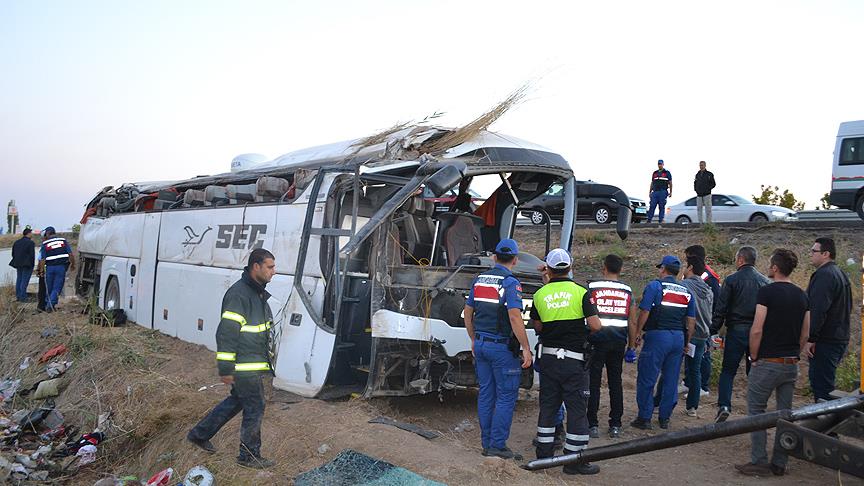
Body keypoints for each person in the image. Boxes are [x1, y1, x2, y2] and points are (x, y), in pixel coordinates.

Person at [188, 248, 277, 469]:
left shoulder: (255, 292)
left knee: (238, 400)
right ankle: (248, 455)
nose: (274, 272)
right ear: (256, 267)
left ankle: (199, 434)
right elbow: (227, 334)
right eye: (270, 267)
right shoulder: (240, 295)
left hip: (250, 363)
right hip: (243, 366)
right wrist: (226, 368)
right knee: (255, 405)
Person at [735, 249, 809, 477]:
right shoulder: (802, 295)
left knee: (757, 411)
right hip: (790, 363)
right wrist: (794, 351)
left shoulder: (766, 293)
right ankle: (780, 462)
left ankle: (759, 460)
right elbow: (806, 332)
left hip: (768, 361)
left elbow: (757, 329)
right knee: (784, 414)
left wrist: (754, 357)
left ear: (775, 268)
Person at [532, 248, 601, 475]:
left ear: (549, 269)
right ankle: (574, 462)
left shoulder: (539, 295)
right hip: (574, 363)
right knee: (577, 409)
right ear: (570, 267)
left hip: (549, 360)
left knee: (548, 407)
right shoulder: (581, 292)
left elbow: (538, 326)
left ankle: (543, 457)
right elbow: (595, 326)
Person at [463, 239, 532, 460]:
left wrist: (473, 339)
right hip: (501, 348)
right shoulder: (511, 283)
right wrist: (526, 347)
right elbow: (514, 316)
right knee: (506, 396)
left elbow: (467, 311)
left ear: (494, 257)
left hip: (481, 344)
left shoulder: (480, 279)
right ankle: (497, 446)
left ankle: (487, 443)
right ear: (515, 259)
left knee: (486, 394)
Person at [630, 256, 696, 430]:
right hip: (678, 338)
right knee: (671, 379)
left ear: (663, 269)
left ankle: (644, 418)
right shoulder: (686, 291)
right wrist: (686, 342)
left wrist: (638, 332)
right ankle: (664, 418)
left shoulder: (655, 286)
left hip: (657, 336)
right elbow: (691, 321)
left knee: (647, 377)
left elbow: (645, 310)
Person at [711, 246, 770, 422]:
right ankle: (755, 410)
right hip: (757, 332)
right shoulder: (765, 282)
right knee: (754, 372)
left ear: (741, 260)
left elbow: (721, 308)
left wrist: (713, 330)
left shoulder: (731, 280)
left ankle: (724, 406)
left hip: (736, 331)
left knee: (728, 371)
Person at [586, 254, 632, 439]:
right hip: (619, 341)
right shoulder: (627, 290)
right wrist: (632, 343)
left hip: (596, 340)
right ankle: (615, 424)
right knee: (615, 382)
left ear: (604, 267)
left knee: (593, 382)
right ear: (620, 270)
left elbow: (587, 314)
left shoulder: (593, 287)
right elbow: (632, 319)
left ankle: (592, 424)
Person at [804, 237, 852, 402]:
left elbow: (818, 310)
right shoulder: (840, 273)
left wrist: (811, 338)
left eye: (814, 251)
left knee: (822, 388)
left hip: (826, 340)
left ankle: (825, 424)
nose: (810, 254)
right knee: (825, 383)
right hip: (838, 336)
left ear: (825, 254)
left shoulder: (824, 275)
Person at [679, 255, 713, 416]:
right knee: (695, 371)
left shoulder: (684, 286)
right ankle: (692, 407)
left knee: (671, 369)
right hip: (702, 335)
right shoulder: (708, 289)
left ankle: (659, 402)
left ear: (690, 267)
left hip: (687, 333)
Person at [685, 245, 721, 397]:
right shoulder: (699, 274)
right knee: (692, 357)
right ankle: (689, 384)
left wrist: (711, 325)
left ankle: (703, 387)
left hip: (704, 323)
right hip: (696, 322)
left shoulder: (708, 276)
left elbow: (715, 300)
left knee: (703, 356)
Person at [36, 227, 75, 311]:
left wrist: (41, 270)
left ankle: (48, 304)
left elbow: (42, 259)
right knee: (57, 287)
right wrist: (73, 264)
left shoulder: (45, 243)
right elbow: (70, 254)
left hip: (49, 268)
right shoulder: (63, 241)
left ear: (47, 234)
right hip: (61, 267)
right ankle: (50, 305)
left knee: (49, 287)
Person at [10, 227, 35, 302]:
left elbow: (13, 254)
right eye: (31, 233)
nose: (32, 234)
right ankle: (23, 297)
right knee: (24, 281)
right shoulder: (30, 243)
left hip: (18, 264)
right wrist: (32, 264)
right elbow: (32, 255)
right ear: (28, 233)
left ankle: (18, 296)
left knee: (19, 280)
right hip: (27, 264)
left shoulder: (16, 242)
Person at [647, 160, 672, 224]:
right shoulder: (655, 173)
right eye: (658, 164)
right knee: (652, 206)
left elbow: (670, 183)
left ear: (663, 164)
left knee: (661, 206)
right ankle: (649, 220)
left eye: (661, 164)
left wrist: (671, 192)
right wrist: (650, 192)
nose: (659, 165)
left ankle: (661, 220)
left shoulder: (667, 173)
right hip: (655, 192)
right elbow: (652, 183)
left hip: (663, 192)